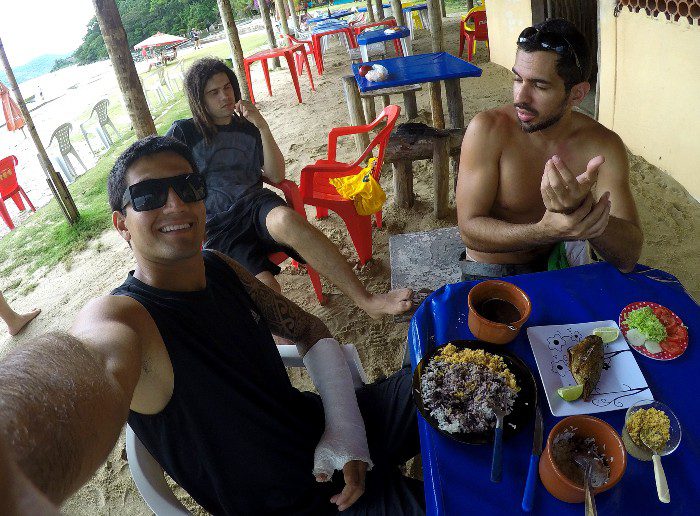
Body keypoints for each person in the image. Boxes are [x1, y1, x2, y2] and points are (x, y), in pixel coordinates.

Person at [0, 136, 424, 515]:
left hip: (333, 432)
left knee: (459, 372)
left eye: (189, 188)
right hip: (298, 501)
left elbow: (310, 329)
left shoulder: (219, 266)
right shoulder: (122, 317)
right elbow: (86, 364)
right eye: (148, 196)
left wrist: (344, 433)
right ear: (120, 225)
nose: (176, 204)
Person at [166, 58, 412, 318]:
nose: (225, 96)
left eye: (227, 87)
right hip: (220, 225)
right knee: (267, 290)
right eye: (213, 92)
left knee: (286, 219)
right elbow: (166, 178)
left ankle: (367, 301)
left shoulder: (247, 125)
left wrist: (261, 125)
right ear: (199, 99)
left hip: (256, 205)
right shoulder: (184, 133)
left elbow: (275, 174)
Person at [456, 18, 643, 281]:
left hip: (559, 264)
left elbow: (628, 256)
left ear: (577, 95)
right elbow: (469, 230)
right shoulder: (489, 130)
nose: (520, 97)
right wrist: (545, 231)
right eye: (517, 79)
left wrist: (582, 210)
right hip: (492, 270)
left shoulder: (603, 146)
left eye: (539, 86)